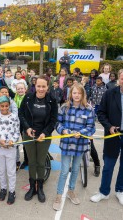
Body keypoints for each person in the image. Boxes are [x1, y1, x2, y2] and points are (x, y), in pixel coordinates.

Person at [53, 84, 95, 211]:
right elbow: (57, 123)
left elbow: (91, 127)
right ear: (71, 94)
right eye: (74, 93)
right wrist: (63, 130)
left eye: (79, 93)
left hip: (80, 145)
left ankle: (71, 191)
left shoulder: (88, 109)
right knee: (65, 170)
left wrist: (82, 133)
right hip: (66, 144)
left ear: (83, 94)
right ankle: (59, 195)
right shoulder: (64, 107)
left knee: (76, 169)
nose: (77, 95)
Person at [19, 76, 58, 202]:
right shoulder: (28, 97)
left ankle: (40, 187)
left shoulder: (52, 100)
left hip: (43, 136)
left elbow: (53, 120)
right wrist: (27, 128)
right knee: (32, 162)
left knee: (41, 163)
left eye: (43, 86)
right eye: (38, 86)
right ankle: (32, 187)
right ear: (35, 86)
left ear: (48, 87)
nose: (41, 89)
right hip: (29, 135)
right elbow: (21, 114)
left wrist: (45, 133)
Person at [90, 69, 123, 206]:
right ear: (119, 79)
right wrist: (109, 126)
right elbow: (101, 113)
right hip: (112, 134)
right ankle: (104, 192)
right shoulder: (110, 93)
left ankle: (120, 190)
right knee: (108, 166)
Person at [0, 96, 20, 205]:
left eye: (6, 106)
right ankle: (3, 188)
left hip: (11, 148)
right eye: (2, 106)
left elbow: (17, 132)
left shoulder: (14, 117)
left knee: (11, 171)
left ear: (9, 106)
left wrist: (12, 141)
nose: (4, 108)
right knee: (1, 170)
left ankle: (12, 191)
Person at [14, 83, 28, 170]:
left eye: (22, 88)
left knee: (25, 142)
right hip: (16, 123)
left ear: (25, 89)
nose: (20, 90)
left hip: (25, 123)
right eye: (18, 89)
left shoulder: (28, 98)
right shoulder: (14, 99)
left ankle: (27, 160)